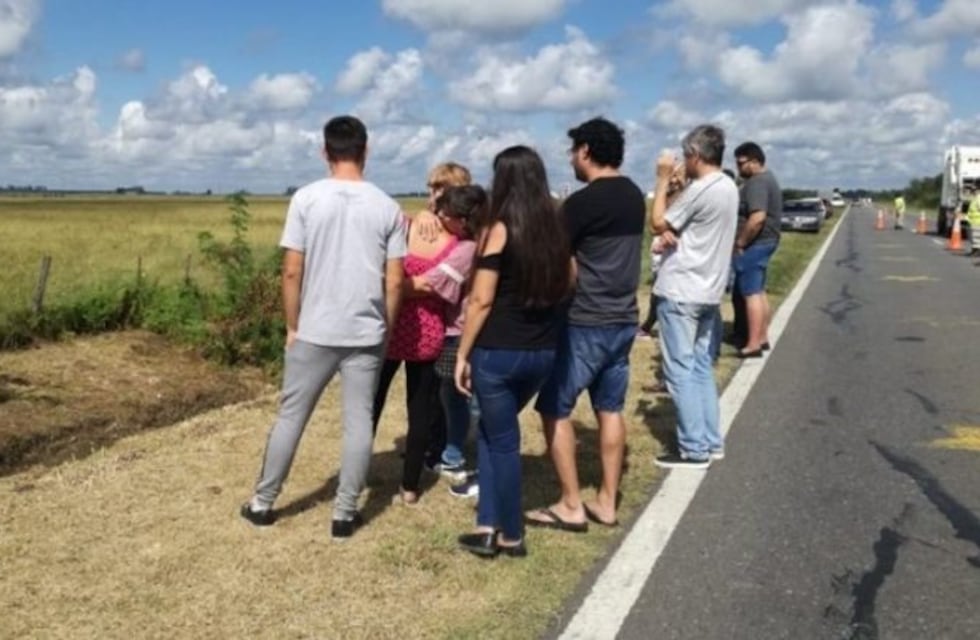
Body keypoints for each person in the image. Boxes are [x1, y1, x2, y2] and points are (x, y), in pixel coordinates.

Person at [240, 115, 405, 539]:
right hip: (366, 332)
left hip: (314, 329)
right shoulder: (388, 207)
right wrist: (386, 327)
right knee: (358, 422)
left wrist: (292, 325)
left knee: (291, 416)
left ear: (324, 152)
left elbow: (291, 270)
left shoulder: (306, 199)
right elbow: (395, 281)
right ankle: (344, 514)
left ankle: (262, 502)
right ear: (366, 151)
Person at [526, 117, 646, 530]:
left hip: (585, 320)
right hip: (623, 317)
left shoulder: (581, 204)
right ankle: (607, 500)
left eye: (573, 152)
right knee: (609, 408)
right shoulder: (634, 195)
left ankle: (570, 503)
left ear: (586, 151)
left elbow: (561, 262)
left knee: (553, 407)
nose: (571, 160)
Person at [454, 145, 571, 558]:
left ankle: (511, 534)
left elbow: (481, 300)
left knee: (503, 441)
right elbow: (570, 280)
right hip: (542, 351)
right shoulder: (556, 226)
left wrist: (462, 353)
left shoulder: (498, 230)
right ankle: (487, 524)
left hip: (498, 351)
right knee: (492, 432)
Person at [371, 166, 472, 505]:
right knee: (418, 408)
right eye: (430, 188)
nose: (432, 196)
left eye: (439, 189)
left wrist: (390, 284)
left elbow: (408, 280)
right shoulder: (455, 240)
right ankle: (410, 486)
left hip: (393, 323)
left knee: (380, 402)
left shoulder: (413, 228)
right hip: (427, 328)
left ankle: (361, 472)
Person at [649, 124, 738, 468]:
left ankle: (693, 448)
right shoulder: (727, 186)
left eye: (685, 157)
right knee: (700, 368)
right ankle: (710, 440)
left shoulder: (701, 189)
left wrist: (661, 180)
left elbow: (658, 222)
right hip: (709, 290)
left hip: (682, 289)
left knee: (680, 371)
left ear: (695, 155)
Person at [732, 141, 782, 358]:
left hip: (756, 243)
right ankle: (761, 338)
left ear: (754, 161)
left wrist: (741, 242)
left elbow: (757, 218)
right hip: (767, 241)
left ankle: (752, 343)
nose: (738, 167)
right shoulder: (768, 179)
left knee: (750, 293)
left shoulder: (757, 183)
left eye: (741, 163)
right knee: (759, 291)